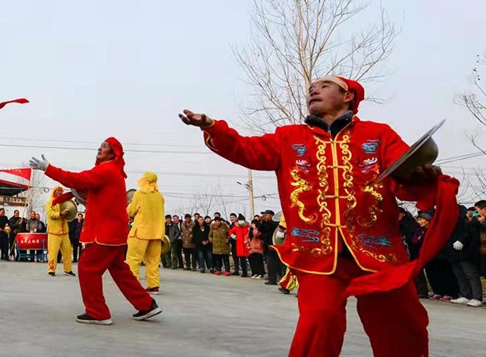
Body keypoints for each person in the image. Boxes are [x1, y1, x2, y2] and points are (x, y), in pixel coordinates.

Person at [180, 75, 455, 357]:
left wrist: (422, 178)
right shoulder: (288, 137)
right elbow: (246, 149)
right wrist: (213, 127)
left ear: (348, 96)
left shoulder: (379, 134)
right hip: (316, 254)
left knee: (402, 324)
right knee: (318, 322)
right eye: (311, 88)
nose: (314, 90)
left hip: (378, 251)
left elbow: (403, 179)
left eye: (324, 86)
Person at [30, 138, 161, 325]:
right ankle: (147, 305)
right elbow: (93, 196)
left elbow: (76, 179)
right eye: (100, 145)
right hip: (114, 232)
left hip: (104, 233)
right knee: (120, 271)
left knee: (87, 269)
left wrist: (48, 168)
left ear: (113, 153)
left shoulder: (106, 170)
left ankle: (98, 312)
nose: (100, 148)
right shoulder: (113, 172)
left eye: (105, 146)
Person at [125, 172, 165, 294]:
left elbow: (130, 211)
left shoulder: (140, 194)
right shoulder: (160, 196)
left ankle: (133, 285)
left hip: (141, 232)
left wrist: (129, 204)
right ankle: (154, 286)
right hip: (157, 233)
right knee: (153, 261)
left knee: (134, 259)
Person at [45, 186, 75, 276]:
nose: (59, 192)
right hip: (54, 232)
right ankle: (51, 269)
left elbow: (71, 211)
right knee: (53, 252)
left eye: (60, 191)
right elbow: (50, 214)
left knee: (68, 252)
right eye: (57, 191)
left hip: (64, 232)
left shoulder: (65, 202)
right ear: (54, 192)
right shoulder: (50, 202)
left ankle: (68, 269)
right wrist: (60, 214)